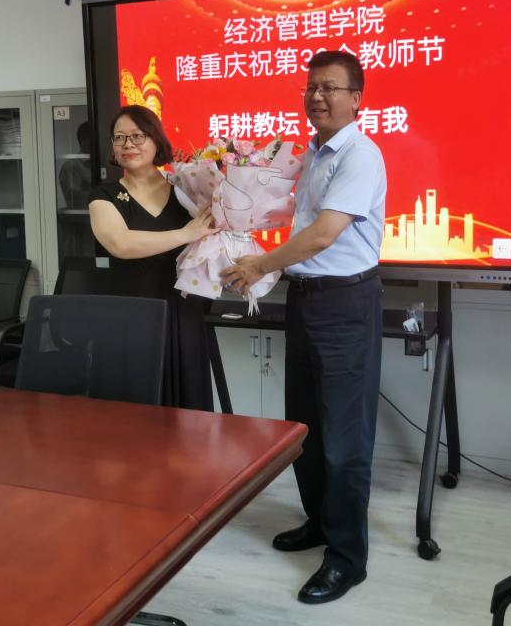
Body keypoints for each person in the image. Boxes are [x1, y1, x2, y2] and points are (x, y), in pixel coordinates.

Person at [220, 50, 386, 604]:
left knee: (345, 440)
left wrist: (259, 265)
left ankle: (347, 559)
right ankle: (319, 522)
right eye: (311, 87)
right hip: (306, 299)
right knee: (306, 428)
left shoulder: (360, 154)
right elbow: (300, 228)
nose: (317, 96)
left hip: (346, 303)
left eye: (330, 88)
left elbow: (323, 235)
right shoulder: (312, 153)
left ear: (356, 99)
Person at [88, 104, 217, 411]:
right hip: (131, 316)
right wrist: (185, 234)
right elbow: (120, 244)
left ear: (156, 140)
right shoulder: (103, 196)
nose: (128, 144)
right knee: (136, 416)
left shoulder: (186, 188)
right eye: (119, 138)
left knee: (188, 415)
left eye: (137, 136)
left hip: (183, 313)